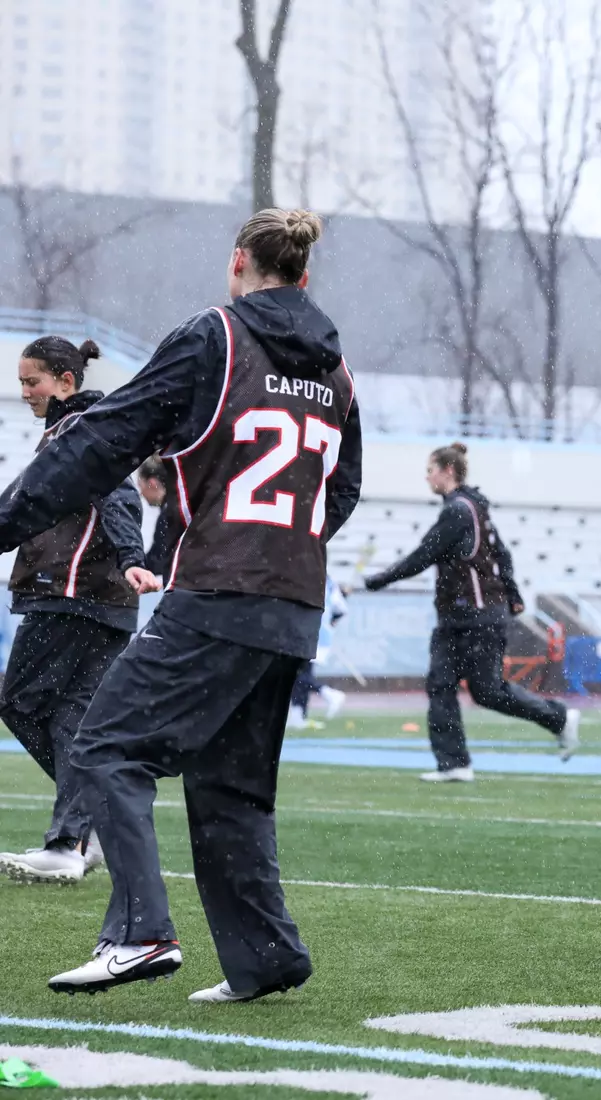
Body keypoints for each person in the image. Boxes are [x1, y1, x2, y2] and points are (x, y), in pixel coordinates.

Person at [0, 208, 364, 998]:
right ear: (304, 275)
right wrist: (281, 549)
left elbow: (105, 441)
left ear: (238, 262)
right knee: (231, 788)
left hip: (222, 590)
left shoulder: (213, 337)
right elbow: (345, 489)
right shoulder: (336, 371)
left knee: (105, 749)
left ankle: (140, 935)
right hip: (292, 601)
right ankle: (266, 957)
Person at [0, 337, 161, 885]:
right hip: (102, 600)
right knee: (75, 722)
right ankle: (73, 838)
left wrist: (133, 556)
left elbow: (115, 496)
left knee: (18, 701)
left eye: (32, 382)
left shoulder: (80, 429)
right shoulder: (81, 427)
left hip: (72, 594)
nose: (24, 392)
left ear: (66, 380)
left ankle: (77, 829)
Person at [365, 442, 579, 779]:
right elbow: (502, 554)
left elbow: (424, 554)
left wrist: (377, 580)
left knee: (488, 692)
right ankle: (454, 764)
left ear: (447, 471)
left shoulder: (459, 511)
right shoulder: (475, 508)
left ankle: (559, 717)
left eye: (430, 470)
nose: (427, 477)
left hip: (478, 618)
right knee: (440, 684)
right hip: (457, 618)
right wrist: (513, 592)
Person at [286, 575, 349, 728]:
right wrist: (331, 622)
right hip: (320, 634)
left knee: (297, 675)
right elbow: (340, 609)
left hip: (306, 633)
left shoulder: (305, 577)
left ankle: (329, 694)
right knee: (302, 674)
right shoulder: (329, 581)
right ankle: (299, 715)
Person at [135, 457, 181, 582]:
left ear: (152, 483)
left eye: (141, 486)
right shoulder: (177, 506)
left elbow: (159, 559)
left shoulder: (169, 514)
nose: (141, 493)